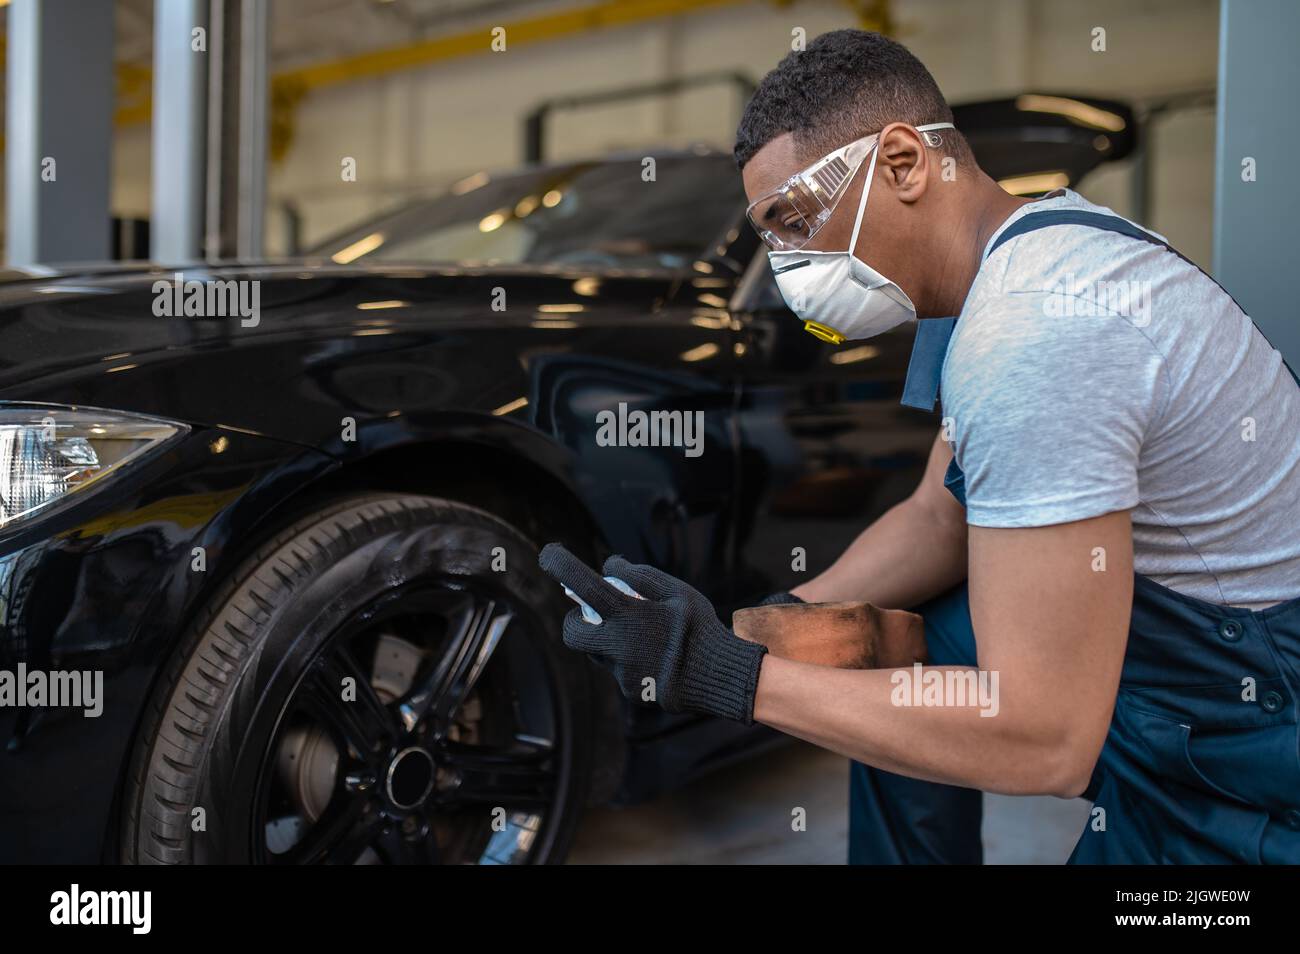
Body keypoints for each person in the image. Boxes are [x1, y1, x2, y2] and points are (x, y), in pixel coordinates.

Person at [539, 29, 1300, 864]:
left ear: (901, 162)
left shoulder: (1033, 330)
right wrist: (762, 631)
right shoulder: (1009, 259)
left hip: (1250, 719)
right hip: (1166, 653)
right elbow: (937, 521)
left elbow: (1044, 741)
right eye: (770, 237)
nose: (788, 264)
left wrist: (726, 677)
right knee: (881, 645)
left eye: (793, 221)